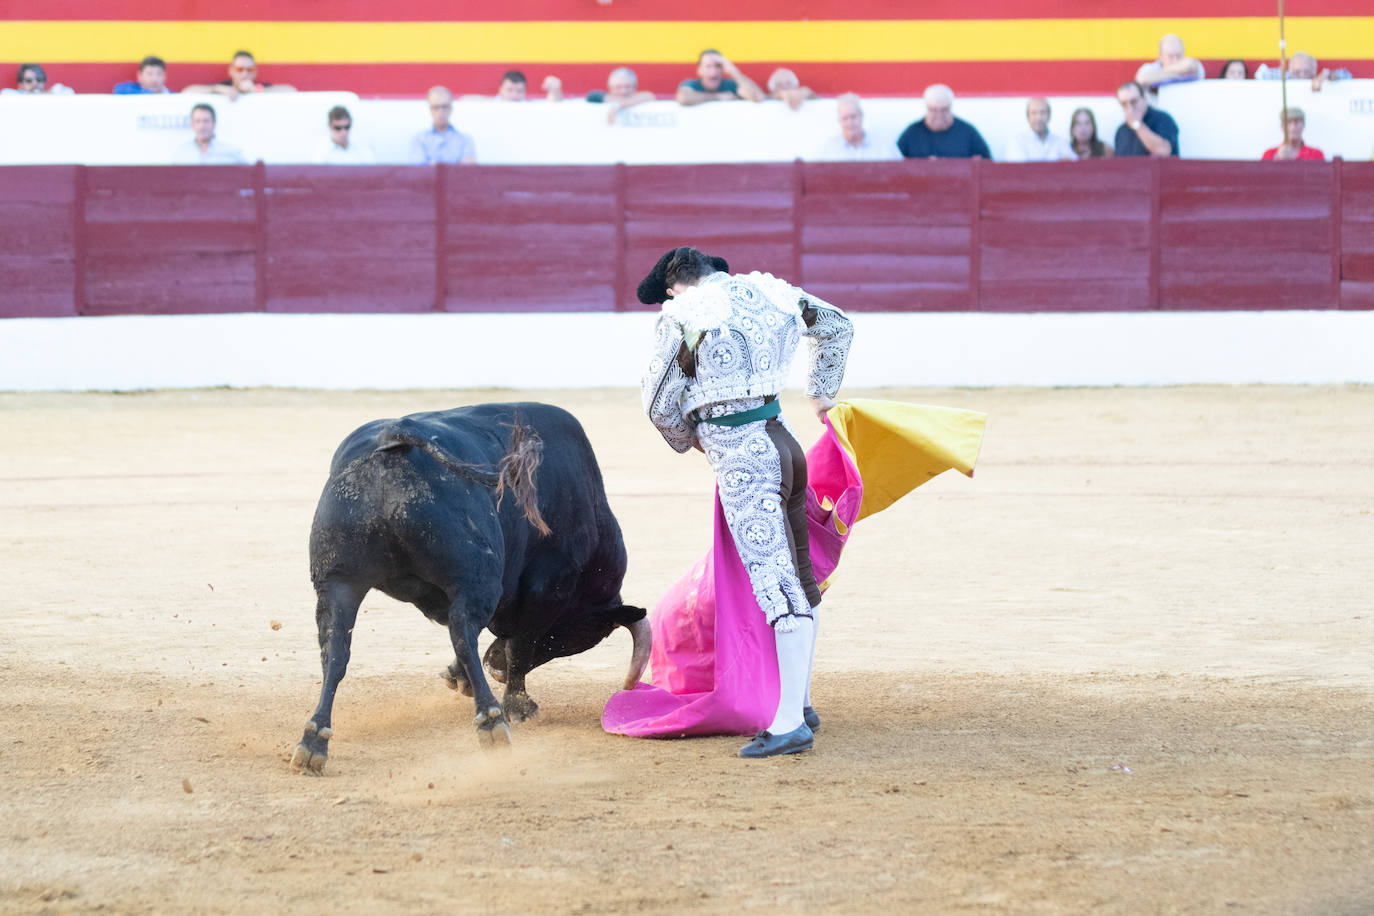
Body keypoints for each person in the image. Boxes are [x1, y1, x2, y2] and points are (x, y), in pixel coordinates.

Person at [638, 247, 853, 758]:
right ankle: (798, 704)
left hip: (743, 460)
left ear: (673, 288)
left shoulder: (686, 315)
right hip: (785, 443)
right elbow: (837, 325)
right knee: (799, 576)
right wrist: (822, 393)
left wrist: (694, 439)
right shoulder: (770, 292)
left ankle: (787, 725)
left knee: (777, 585)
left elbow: (658, 405)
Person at [896, 84, 991, 160]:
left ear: (950, 107)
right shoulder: (911, 134)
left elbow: (987, 166)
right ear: (927, 108)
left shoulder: (968, 133)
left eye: (944, 109)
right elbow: (895, 166)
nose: (939, 115)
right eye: (933, 110)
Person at [813, 93, 899, 161]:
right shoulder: (829, 150)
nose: (850, 123)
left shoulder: (883, 146)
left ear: (861, 117)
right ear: (839, 121)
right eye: (845, 118)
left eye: (853, 117)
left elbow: (899, 173)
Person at [183, 50, 295, 100]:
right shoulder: (223, 87)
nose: (245, 74)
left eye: (249, 69)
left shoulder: (259, 87)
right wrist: (217, 89)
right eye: (239, 69)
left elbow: (291, 90)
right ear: (231, 71)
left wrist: (257, 90)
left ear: (255, 72)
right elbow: (187, 91)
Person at [409, 86, 476, 164]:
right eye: (436, 107)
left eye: (444, 107)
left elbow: (468, 171)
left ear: (451, 108)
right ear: (430, 109)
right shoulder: (419, 140)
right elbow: (419, 171)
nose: (440, 112)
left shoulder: (465, 140)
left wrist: (432, 164)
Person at [1113, 81, 1178, 158]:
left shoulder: (1163, 119)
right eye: (1124, 104)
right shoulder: (1121, 131)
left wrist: (1137, 124)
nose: (1130, 108)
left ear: (1144, 98)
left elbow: (1163, 151)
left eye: (1133, 102)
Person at [676, 49, 764, 106]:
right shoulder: (692, 85)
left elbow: (758, 97)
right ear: (700, 70)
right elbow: (683, 98)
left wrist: (734, 72)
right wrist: (718, 97)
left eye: (717, 66)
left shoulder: (731, 86)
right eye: (708, 66)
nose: (713, 71)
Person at [1003, 97, 1076, 162]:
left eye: (1042, 112)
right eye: (1034, 113)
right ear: (1028, 116)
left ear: (1049, 115)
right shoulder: (1016, 142)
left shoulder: (1061, 142)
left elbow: (1072, 165)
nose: (1039, 117)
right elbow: (1019, 172)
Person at [172, 103, 246, 164]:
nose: (202, 126)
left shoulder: (231, 152)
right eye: (198, 121)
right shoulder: (182, 153)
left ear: (214, 123)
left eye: (206, 121)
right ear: (192, 124)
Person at [1135, 34, 1205, 94]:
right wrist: (1179, 73)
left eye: (1178, 55)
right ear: (1161, 56)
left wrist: (1159, 76)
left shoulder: (1194, 66)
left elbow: (1191, 66)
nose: (1175, 60)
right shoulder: (1149, 68)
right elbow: (1142, 79)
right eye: (1170, 56)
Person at [586, 67, 656, 123]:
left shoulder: (643, 97)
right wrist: (619, 103)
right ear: (610, 87)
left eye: (627, 86)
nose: (623, 91)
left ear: (635, 87)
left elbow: (650, 96)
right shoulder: (601, 97)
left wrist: (619, 105)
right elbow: (591, 96)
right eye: (618, 87)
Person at [1255, 52, 1351, 92]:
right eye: (1297, 72)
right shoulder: (1286, 76)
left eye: (1306, 72)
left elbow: (1347, 75)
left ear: (1314, 72)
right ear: (1290, 70)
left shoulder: (1319, 80)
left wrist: (1328, 74)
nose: (1302, 76)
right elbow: (1260, 74)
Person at [3, 63, 74, 96]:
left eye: (39, 79)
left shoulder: (56, 91)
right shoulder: (11, 94)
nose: (35, 83)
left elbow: (70, 93)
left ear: (44, 81)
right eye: (29, 80)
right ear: (21, 84)